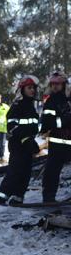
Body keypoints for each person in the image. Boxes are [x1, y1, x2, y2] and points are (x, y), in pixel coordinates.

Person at [0, 76, 40, 206]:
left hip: (28, 144)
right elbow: (12, 126)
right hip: (18, 145)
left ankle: (18, 198)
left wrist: (31, 140)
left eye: (33, 88)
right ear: (22, 89)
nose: (32, 91)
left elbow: (34, 126)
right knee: (15, 171)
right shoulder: (17, 106)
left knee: (26, 173)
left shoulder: (32, 106)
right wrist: (25, 139)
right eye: (29, 88)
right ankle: (1, 197)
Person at [39, 71, 71, 202]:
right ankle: (48, 197)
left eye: (57, 84)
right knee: (52, 171)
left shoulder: (69, 100)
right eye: (52, 84)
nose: (54, 87)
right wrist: (64, 121)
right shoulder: (51, 101)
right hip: (57, 143)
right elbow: (46, 122)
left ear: (64, 85)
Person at [0, 93, 10, 163]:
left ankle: (2, 156)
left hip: (3, 128)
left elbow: (10, 116)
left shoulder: (5, 107)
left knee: (2, 144)